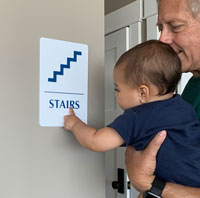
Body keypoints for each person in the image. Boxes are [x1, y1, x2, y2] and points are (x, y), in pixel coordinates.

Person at [64, 40, 200, 188]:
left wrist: (75, 124)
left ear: (142, 92)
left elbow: (96, 141)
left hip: (176, 189)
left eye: (118, 89)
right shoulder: (184, 107)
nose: (116, 95)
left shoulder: (136, 117)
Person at [125, 0, 200, 198]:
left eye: (175, 27)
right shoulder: (192, 87)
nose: (162, 39)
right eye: (160, 28)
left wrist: (150, 184)